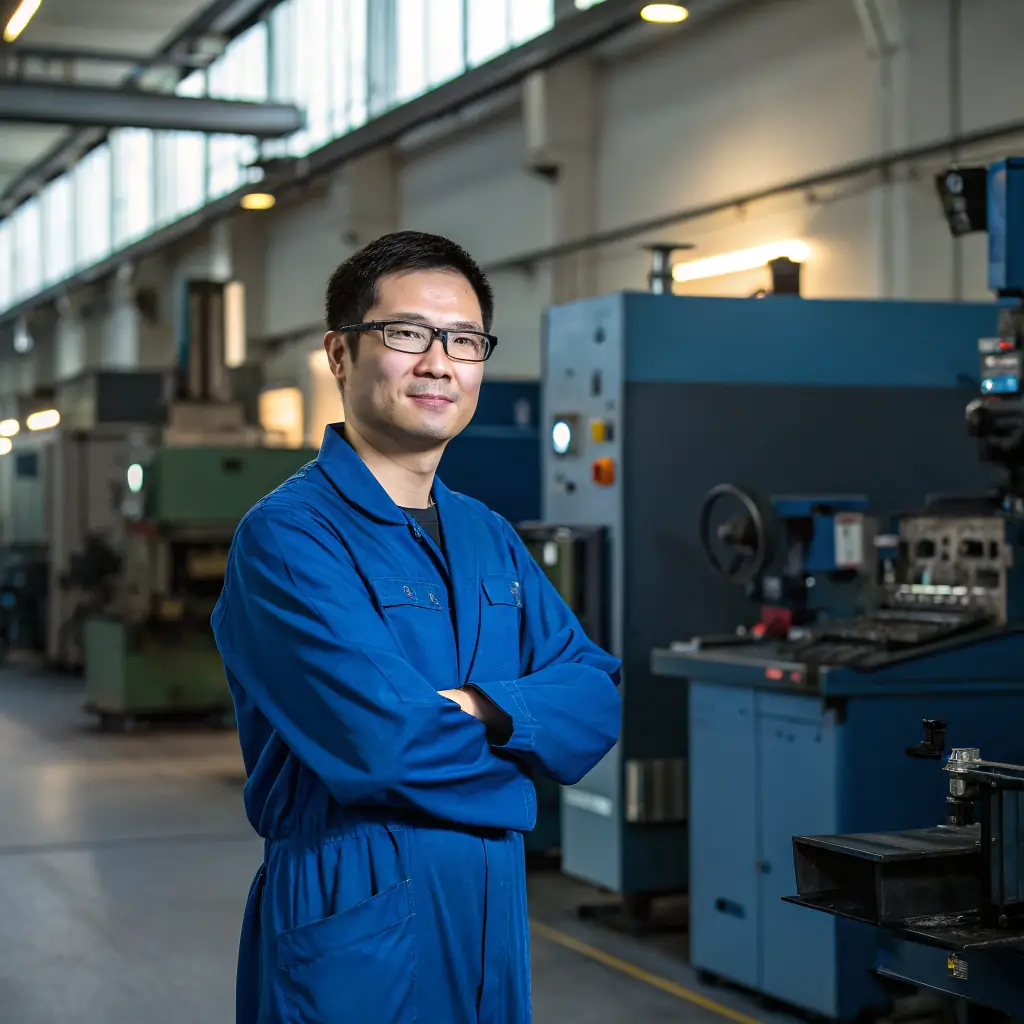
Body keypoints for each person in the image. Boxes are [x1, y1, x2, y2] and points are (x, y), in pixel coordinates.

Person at [211, 230, 622, 1024]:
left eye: (465, 340)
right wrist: (524, 748)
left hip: (489, 903)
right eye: (407, 334)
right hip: (354, 894)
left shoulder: (487, 533)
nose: (440, 362)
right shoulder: (289, 538)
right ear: (340, 354)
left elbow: (595, 696)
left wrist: (473, 707)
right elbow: (382, 746)